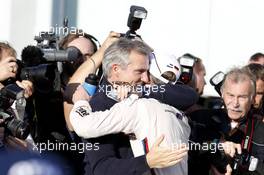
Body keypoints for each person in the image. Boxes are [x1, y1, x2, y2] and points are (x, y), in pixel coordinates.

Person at [70, 52, 190, 175]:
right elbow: (102, 167)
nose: (143, 78)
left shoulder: (139, 105)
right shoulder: (180, 114)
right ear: (116, 69)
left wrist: (80, 101)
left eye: (145, 72)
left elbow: (83, 125)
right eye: (139, 71)